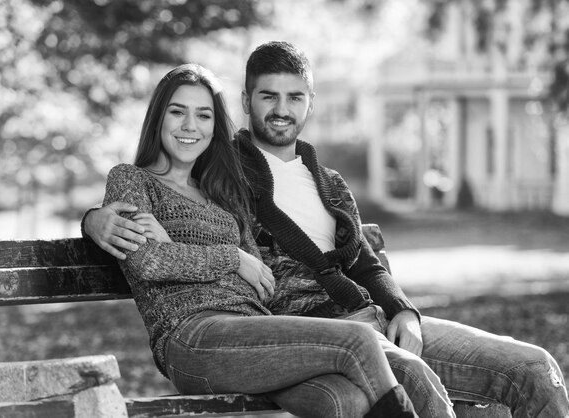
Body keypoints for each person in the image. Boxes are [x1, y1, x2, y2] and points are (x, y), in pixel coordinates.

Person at [85, 44, 569, 418]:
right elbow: (153, 232)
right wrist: (94, 221)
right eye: (267, 96)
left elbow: (363, 259)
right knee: (362, 389)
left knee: (535, 369)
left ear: (310, 103)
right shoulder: (230, 171)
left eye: (294, 97)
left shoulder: (324, 184)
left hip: (358, 321)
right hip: (300, 330)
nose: (281, 109)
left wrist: (403, 310)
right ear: (246, 102)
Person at [98, 62, 418, 418]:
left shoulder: (220, 191)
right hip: (191, 335)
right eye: (177, 112)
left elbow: (261, 281)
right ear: (158, 117)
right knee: (358, 342)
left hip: (255, 332)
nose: (191, 126)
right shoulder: (131, 179)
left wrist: (175, 251)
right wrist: (231, 259)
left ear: (214, 126)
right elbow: (148, 261)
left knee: (345, 401)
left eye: (204, 116)